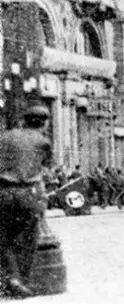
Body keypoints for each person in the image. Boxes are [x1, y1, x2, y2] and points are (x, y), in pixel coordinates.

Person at [0, 103, 52, 297]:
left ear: (24, 120)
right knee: (27, 238)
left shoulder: (4, 136)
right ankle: (21, 280)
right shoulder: (43, 142)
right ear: (44, 123)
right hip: (28, 193)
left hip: (3, 192)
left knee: (3, 238)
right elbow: (43, 167)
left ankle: (11, 278)